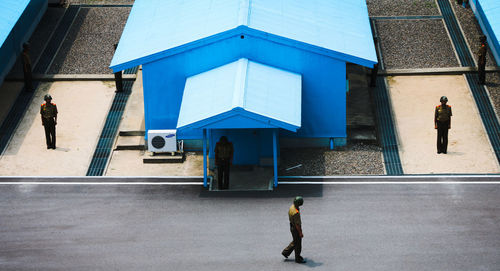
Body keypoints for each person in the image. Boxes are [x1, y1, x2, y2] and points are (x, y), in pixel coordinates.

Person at [282, 196, 306, 264]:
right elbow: (297, 225)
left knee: (295, 241)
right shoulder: (296, 213)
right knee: (298, 244)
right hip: (295, 228)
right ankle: (297, 258)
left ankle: (286, 252)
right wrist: (300, 233)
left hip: (292, 226)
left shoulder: (292, 207)